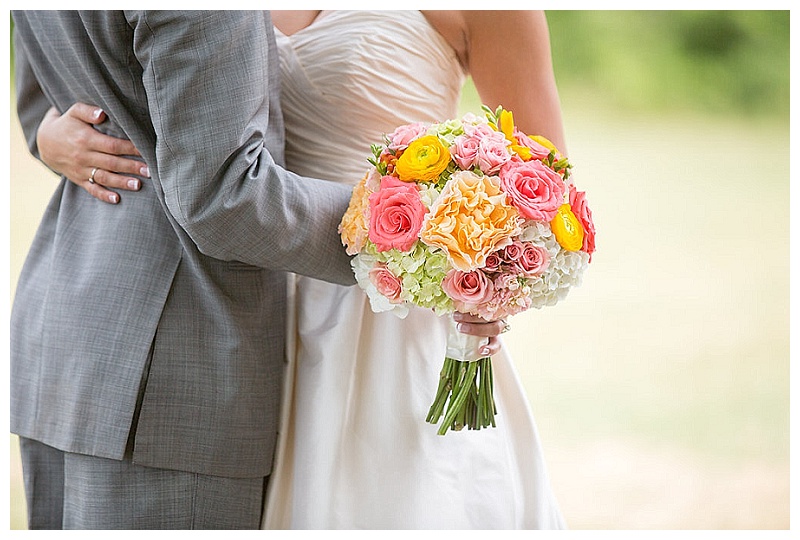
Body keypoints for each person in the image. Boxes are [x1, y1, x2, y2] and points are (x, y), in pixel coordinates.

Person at [30, 10, 565, 529]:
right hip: (236, 310)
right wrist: (49, 136)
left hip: (387, 315)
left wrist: (454, 253)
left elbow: (546, 189)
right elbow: (76, 85)